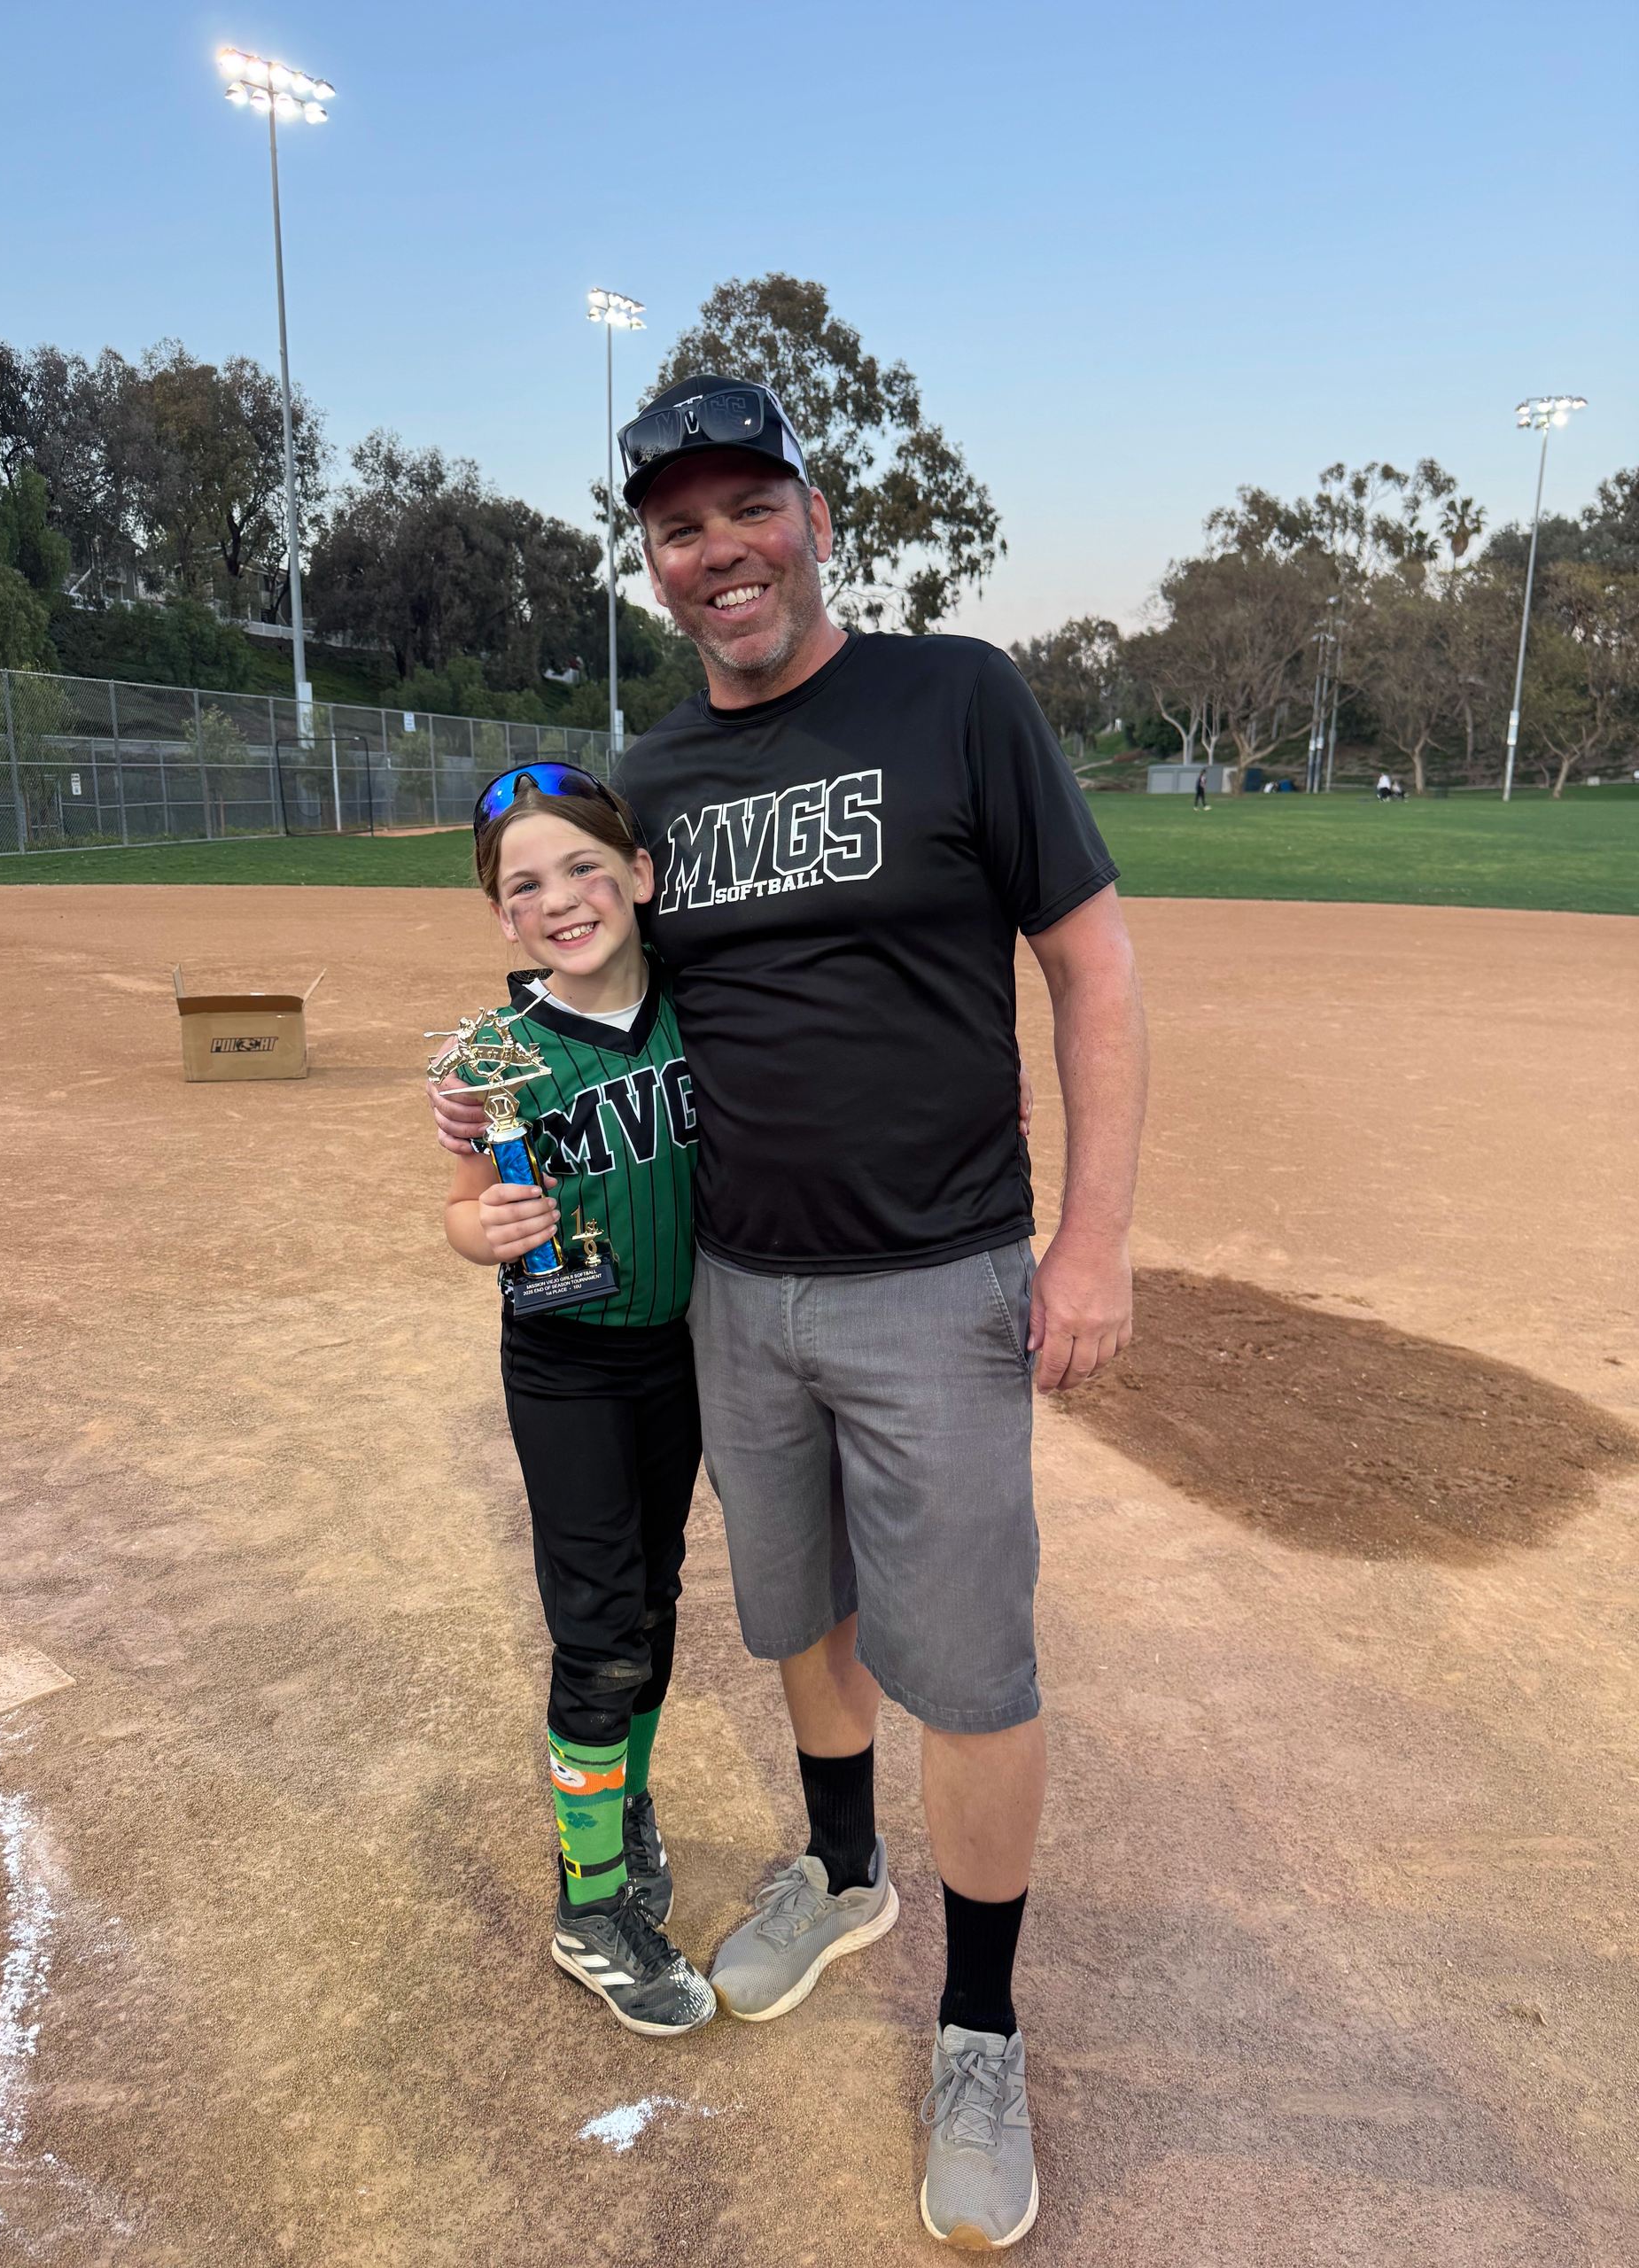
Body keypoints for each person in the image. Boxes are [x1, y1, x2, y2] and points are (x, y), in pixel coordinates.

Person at [433, 374, 1148, 2249]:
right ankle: (843, 1870)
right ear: (656, 562)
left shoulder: (956, 696)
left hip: (941, 1279)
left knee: (975, 1667)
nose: (720, 550)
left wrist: (1093, 1243)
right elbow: (592, 990)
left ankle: (980, 2023)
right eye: (680, 526)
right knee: (799, 1613)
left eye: (749, 507)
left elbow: (1093, 968)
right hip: (737, 1296)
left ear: (815, 517)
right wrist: (477, 1106)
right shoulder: (649, 787)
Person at [439, 760, 717, 2039]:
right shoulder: (495, 1053)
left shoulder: (702, 1005)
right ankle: (589, 1903)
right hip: (568, 1362)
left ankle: (626, 1803)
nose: (560, 899)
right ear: (504, 917)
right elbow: (461, 1213)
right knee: (602, 1626)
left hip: (683, 1351)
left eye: (584, 867)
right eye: (525, 884)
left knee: (652, 1603)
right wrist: (480, 1223)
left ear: (641, 878)